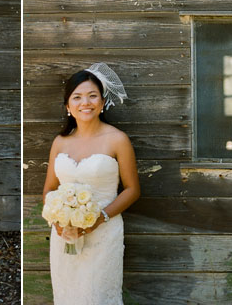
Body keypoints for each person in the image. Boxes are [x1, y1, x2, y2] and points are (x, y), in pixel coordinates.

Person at [42, 63, 141, 305]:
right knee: (67, 296)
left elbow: (132, 190)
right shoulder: (60, 142)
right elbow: (49, 188)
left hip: (104, 234)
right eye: (77, 97)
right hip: (64, 235)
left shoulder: (117, 139)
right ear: (68, 105)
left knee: (97, 297)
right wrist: (57, 220)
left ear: (102, 101)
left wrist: (99, 218)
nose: (85, 102)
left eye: (92, 96)